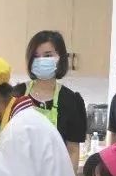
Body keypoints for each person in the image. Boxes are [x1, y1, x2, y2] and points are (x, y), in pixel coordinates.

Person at [15, 31, 87, 168]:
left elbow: (72, 150)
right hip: (20, 175)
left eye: (48, 55)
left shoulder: (71, 100)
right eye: (36, 56)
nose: (41, 60)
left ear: (61, 58)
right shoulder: (17, 94)